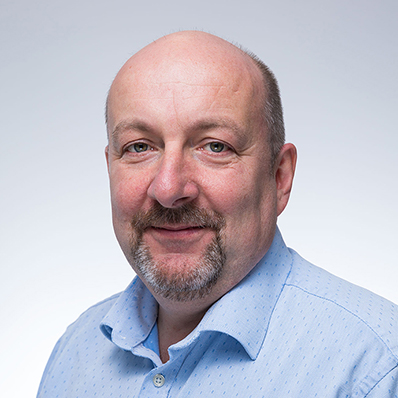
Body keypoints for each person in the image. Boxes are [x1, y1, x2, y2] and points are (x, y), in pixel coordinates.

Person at [37, 31, 398, 397]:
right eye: (140, 147)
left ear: (279, 177)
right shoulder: (76, 353)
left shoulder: (375, 368)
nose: (168, 189)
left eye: (215, 146)